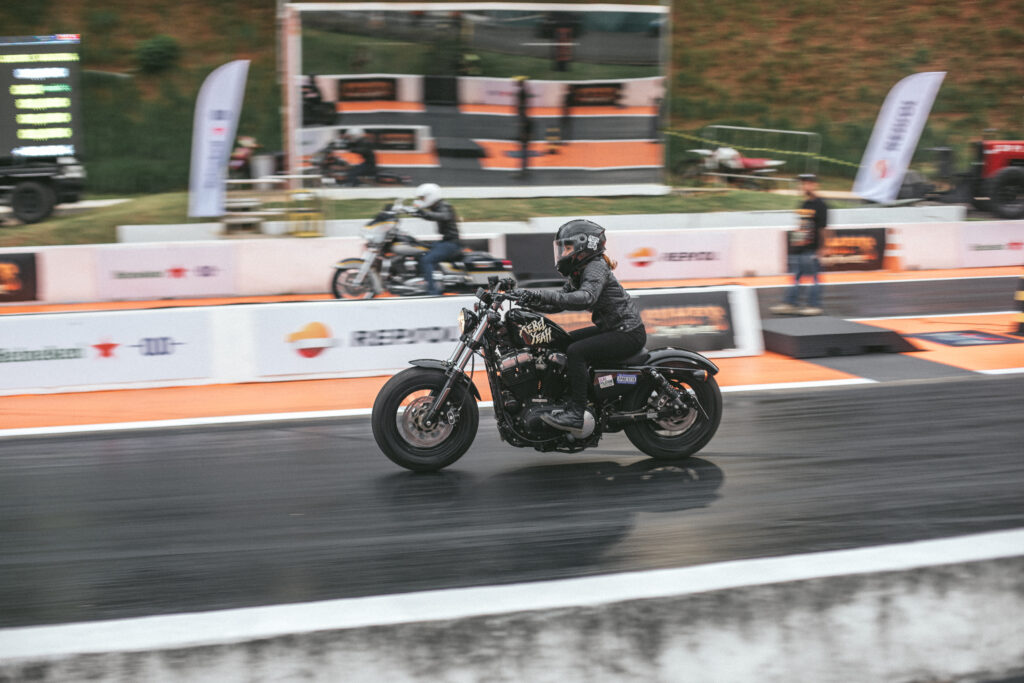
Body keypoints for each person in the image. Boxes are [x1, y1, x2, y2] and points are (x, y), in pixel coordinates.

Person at [516, 220, 646, 431]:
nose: (563, 253)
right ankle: (562, 400)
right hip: (612, 329)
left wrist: (540, 294)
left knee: (576, 351)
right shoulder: (579, 271)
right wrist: (527, 301)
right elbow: (559, 302)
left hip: (628, 332)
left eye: (567, 248)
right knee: (562, 342)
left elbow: (586, 297)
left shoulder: (596, 266)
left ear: (584, 246)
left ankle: (577, 414)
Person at [771, 173, 830, 316]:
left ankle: (814, 305)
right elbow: (802, 226)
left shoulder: (821, 205)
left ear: (815, 185)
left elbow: (823, 228)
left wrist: (823, 248)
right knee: (796, 277)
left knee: (814, 278)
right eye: (803, 183)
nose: (804, 186)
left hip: (813, 248)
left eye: (808, 183)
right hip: (801, 248)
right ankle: (790, 303)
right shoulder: (804, 204)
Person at [413, 183, 461, 296]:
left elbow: (442, 216)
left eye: (423, 198)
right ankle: (422, 282)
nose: (421, 200)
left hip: (451, 243)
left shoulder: (444, 206)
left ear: (430, 196)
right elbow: (431, 215)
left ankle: (432, 292)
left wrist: (422, 212)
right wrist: (415, 212)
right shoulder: (436, 206)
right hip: (445, 241)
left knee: (427, 260)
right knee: (419, 249)